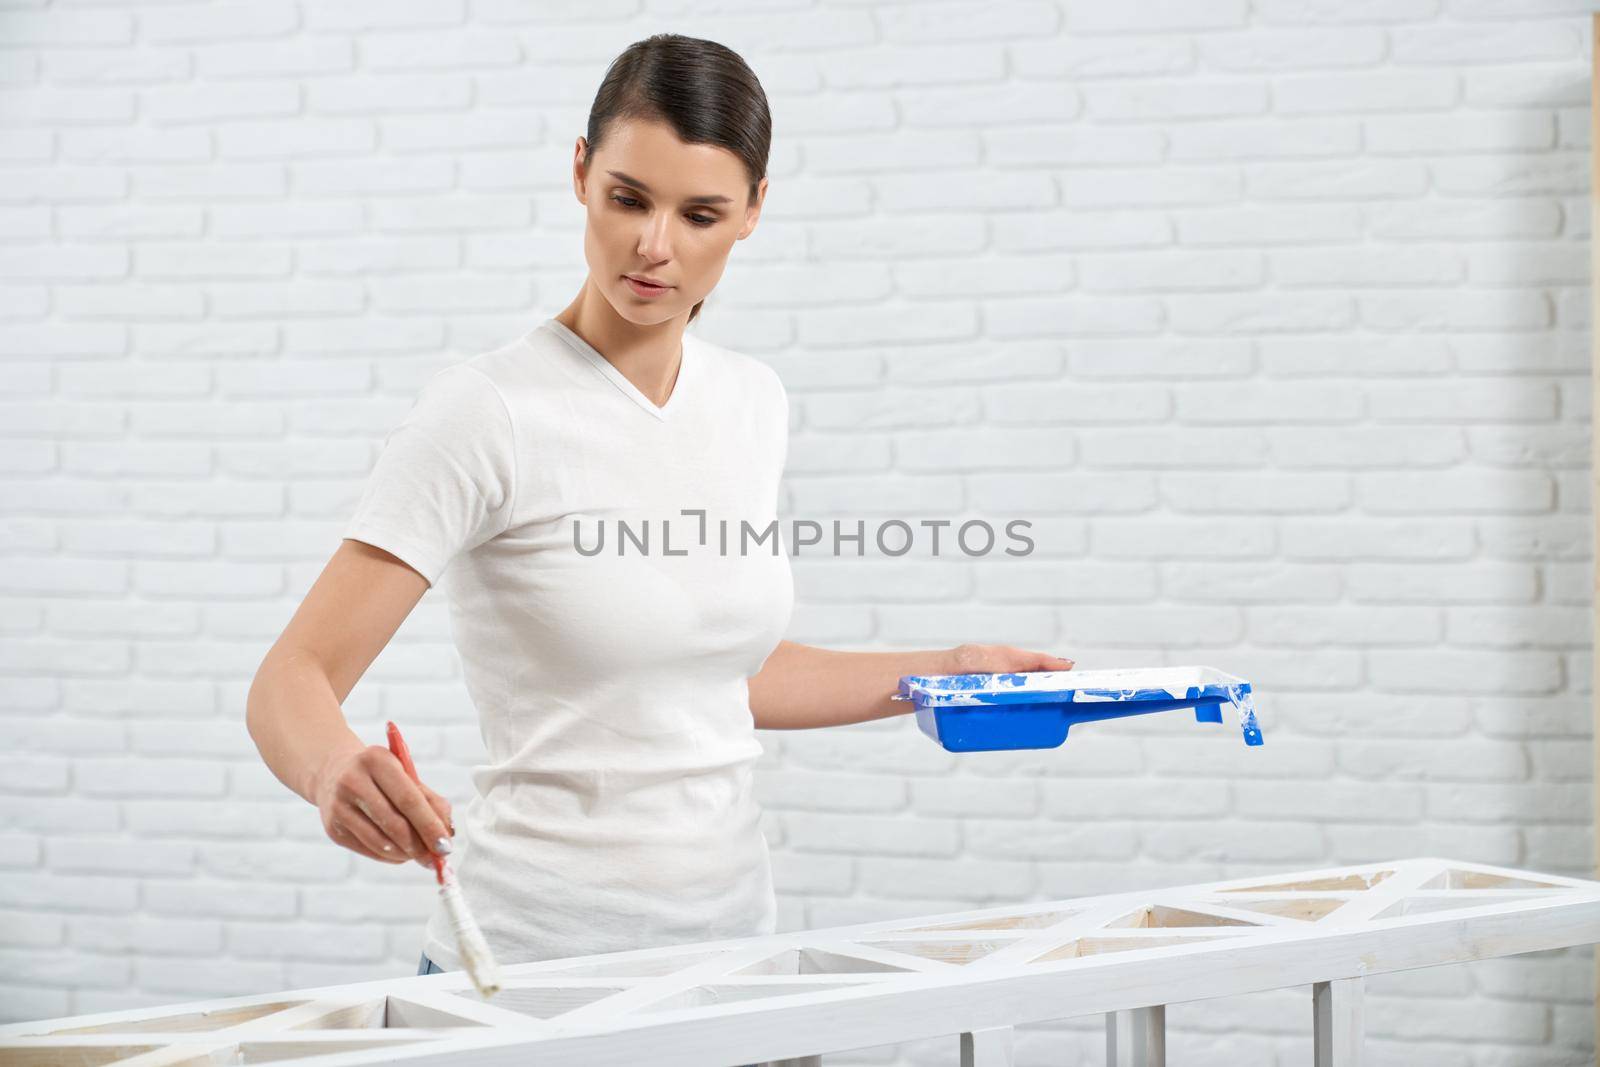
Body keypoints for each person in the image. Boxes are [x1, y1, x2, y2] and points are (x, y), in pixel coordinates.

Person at [246, 32, 1074, 988]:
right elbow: (290, 676)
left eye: (701, 213)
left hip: (733, 959)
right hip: (532, 973)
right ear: (581, 173)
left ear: (754, 212)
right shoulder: (489, 412)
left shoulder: (752, 400)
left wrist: (947, 669)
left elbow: (718, 672)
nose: (654, 245)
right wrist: (330, 767)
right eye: (629, 199)